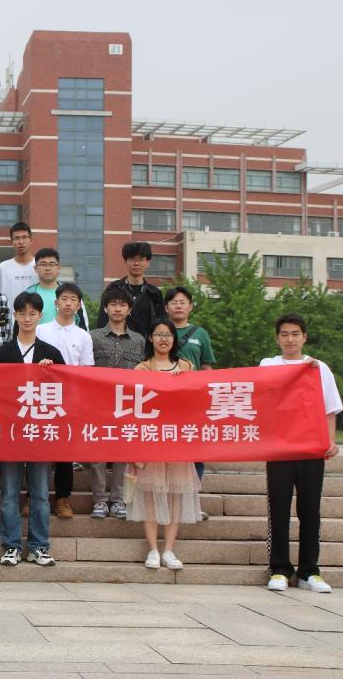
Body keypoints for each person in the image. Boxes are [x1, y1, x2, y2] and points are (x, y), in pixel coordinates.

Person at [262, 313, 343, 593]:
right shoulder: (268, 365)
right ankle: (279, 569)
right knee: (279, 508)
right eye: (284, 334)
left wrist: (330, 442)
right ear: (277, 338)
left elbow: (330, 409)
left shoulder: (319, 368)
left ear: (304, 337)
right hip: (280, 449)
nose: (290, 339)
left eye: (295, 334)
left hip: (311, 449)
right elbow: (263, 395)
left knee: (310, 510)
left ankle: (310, 572)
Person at [0, 291, 65, 567]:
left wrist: (51, 373)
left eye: (32, 313)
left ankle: (39, 546)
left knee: (40, 495)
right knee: (9, 494)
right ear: (14, 315)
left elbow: (65, 390)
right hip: (10, 434)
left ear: (40, 316)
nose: (26, 318)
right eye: (22, 313)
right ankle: (11, 545)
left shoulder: (51, 353)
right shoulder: (1, 354)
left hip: (40, 435)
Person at [130, 318, 200, 571]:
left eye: (168, 334)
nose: (163, 339)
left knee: (174, 496)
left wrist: (185, 382)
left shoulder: (186, 366)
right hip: (151, 439)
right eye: (158, 334)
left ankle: (169, 550)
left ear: (174, 338)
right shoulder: (141, 369)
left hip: (178, 439)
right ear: (150, 338)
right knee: (150, 495)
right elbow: (135, 405)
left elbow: (197, 400)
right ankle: (152, 549)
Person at [36, 282, 94, 519]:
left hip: (70, 399)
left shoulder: (83, 336)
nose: (68, 303)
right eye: (64, 299)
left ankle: (62, 498)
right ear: (55, 302)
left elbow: (87, 370)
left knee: (65, 451)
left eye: (73, 300)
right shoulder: (40, 331)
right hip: (41, 397)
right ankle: (33, 496)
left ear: (79, 306)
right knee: (38, 450)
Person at [88, 286, 145, 520]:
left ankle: (118, 499)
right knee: (97, 455)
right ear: (105, 308)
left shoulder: (139, 340)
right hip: (98, 403)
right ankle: (100, 500)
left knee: (123, 453)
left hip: (127, 404)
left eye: (123, 305)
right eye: (113, 304)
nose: (118, 309)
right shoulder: (92, 337)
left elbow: (144, 372)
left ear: (129, 310)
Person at [164, 285, 216, 516]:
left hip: (193, 403)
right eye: (174, 302)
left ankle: (192, 503)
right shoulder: (159, 331)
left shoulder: (200, 334)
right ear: (166, 307)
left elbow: (207, 367)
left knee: (195, 452)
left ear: (190, 307)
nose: (178, 306)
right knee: (165, 452)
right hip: (164, 403)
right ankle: (165, 503)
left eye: (182, 302)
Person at [96, 241, 165, 338]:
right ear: (125, 262)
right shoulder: (113, 288)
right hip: (117, 343)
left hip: (146, 345)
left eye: (141, 259)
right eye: (132, 259)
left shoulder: (154, 293)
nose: (136, 263)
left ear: (147, 263)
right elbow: (102, 321)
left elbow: (161, 324)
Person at [24, 248, 89, 329]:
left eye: (52, 264)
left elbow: (83, 326)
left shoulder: (72, 294)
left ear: (58, 268)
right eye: (43, 264)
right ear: (35, 268)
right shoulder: (28, 294)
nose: (48, 268)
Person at [0, 222, 39, 301]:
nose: (21, 242)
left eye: (24, 237)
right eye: (16, 238)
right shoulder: (3, 267)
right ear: (11, 242)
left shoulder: (39, 266)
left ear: (31, 240)